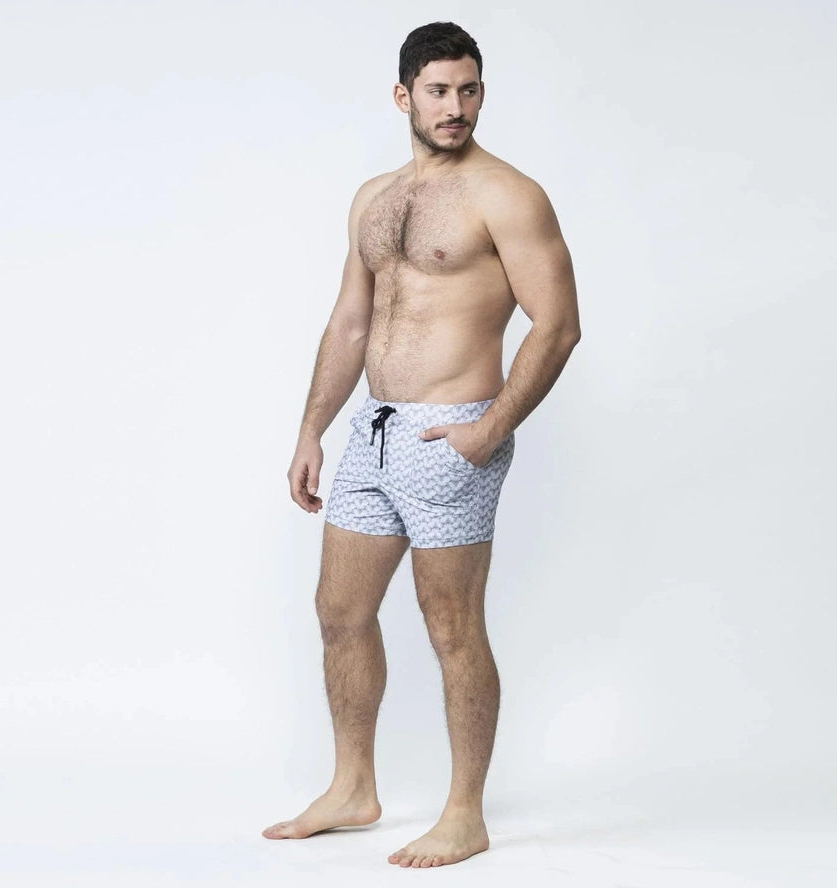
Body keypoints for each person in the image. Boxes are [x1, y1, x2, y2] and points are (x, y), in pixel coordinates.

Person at [264, 21, 581, 868]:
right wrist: (311, 429)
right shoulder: (375, 198)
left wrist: (489, 429)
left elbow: (557, 325)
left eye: (469, 90)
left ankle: (464, 814)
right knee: (339, 613)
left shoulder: (507, 195)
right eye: (439, 91)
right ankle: (352, 788)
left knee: (451, 627)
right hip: (373, 431)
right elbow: (351, 321)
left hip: (453, 433)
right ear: (404, 95)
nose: (456, 107)